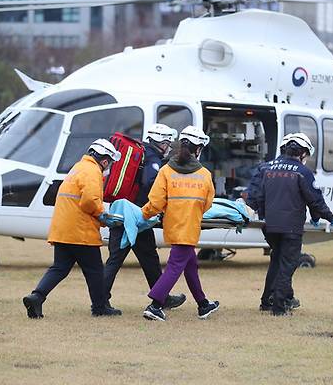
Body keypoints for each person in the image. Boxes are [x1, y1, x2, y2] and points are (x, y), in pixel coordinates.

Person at [22, 139, 123, 318]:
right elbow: (90, 201)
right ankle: (100, 308)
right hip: (80, 232)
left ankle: (37, 296)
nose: (109, 167)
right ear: (105, 160)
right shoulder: (92, 171)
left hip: (63, 230)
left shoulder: (78, 167)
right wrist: (104, 217)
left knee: (59, 268)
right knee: (95, 271)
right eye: (110, 163)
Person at [103, 124, 187, 311]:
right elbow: (151, 181)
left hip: (124, 212)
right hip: (137, 215)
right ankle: (100, 300)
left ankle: (161, 296)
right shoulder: (151, 158)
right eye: (167, 143)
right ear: (162, 142)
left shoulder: (143, 153)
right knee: (121, 258)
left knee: (144, 257)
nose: (168, 147)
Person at [140, 126, 219, 321]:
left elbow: (156, 202)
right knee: (175, 266)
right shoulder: (205, 174)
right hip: (190, 226)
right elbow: (207, 203)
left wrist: (143, 214)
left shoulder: (166, 170)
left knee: (190, 265)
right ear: (198, 149)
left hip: (172, 226)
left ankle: (203, 304)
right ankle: (156, 305)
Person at [257, 133, 333, 316]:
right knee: (287, 265)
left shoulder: (267, 168)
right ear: (302, 153)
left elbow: (259, 196)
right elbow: (314, 199)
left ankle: (266, 301)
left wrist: (263, 216)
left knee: (276, 261)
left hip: (270, 227)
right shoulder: (302, 172)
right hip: (291, 227)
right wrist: (328, 217)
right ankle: (279, 306)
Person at [245, 134, 300, 312]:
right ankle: (278, 300)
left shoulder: (264, 168)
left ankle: (272, 298)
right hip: (288, 224)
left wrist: (261, 212)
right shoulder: (297, 170)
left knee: (277, 259)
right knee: (285, 261)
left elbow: (253, 196)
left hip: (268, 224)